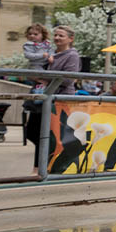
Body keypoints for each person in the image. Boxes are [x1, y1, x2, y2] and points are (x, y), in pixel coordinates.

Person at [23, 25, 81, 174]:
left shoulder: (72, 55)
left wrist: (43, 79)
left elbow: (68, 80)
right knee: (33, 132)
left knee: (48, 134)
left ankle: (41, 167)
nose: (57, 38)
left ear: (70, 39)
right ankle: (43, 164)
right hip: (42, 96)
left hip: (59, 99)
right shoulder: (49, 52)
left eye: (61, 36)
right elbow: (32, 69)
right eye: (55, 35)